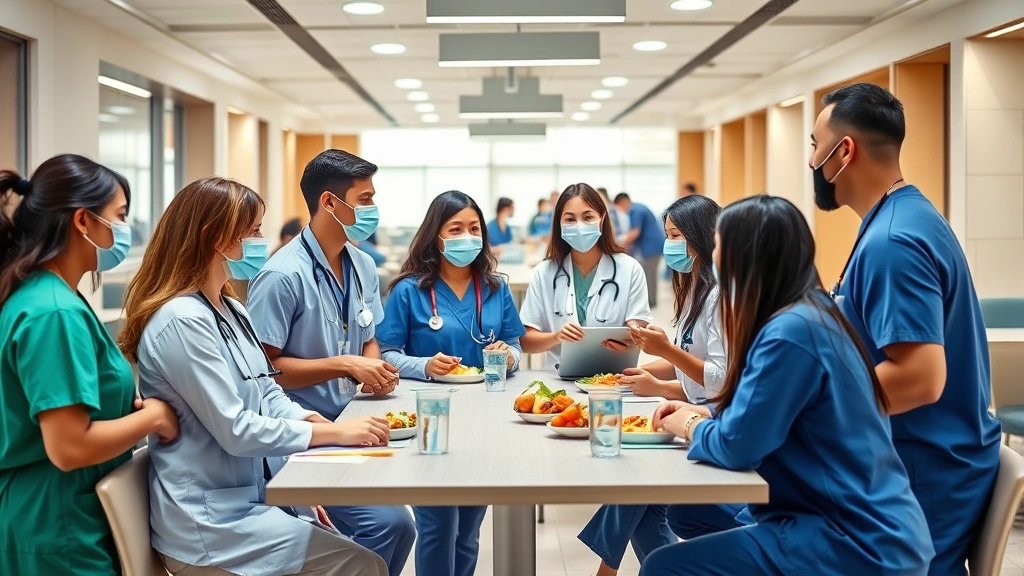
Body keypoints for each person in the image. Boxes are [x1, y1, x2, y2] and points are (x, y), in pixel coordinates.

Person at [639, 195, 934, 576]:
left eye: (721, 251)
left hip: (851, 539)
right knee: (690, 512)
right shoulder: (812, 312)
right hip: (862, 519)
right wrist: (708, 412)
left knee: (663, 567)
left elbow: (737, 447)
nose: (716, 263)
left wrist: (690, 425)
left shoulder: (788, 334)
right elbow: (760, 407)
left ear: (748, 259)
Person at [120, 177, 389, 576]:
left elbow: (268, 391)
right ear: (217, 237)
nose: (261, 240)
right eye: (254, 230)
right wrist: (332, 434)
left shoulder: (231, 309)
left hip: (252, 498)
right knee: (363, 565)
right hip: (211, 524)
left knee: (355, 551)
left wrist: (313, 421)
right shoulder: (181, 321)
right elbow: (235, 429)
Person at [812, 83, 1000, 576]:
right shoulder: (899, 217)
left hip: (920, 482)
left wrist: (812, 406)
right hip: (916, 466)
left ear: (843, 151)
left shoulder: (893, 241)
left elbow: (920, 377)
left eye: (815, 146)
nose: (812, 161)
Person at [0, 155, 179, 576]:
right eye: (119, 217)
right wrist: (155, 417)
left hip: (72, 512)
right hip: (55, 523)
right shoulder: (52, 312)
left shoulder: (52, 296)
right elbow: (69, 447)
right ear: (83, 221)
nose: (125, 230)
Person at [247, 150, 414, 575]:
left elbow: (370, 335)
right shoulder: (283, 275)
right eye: (365, 199)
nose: (372, 210)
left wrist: (375, 371)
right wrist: (345, 365)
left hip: (356, 420)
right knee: (390, 524)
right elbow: (263, 370)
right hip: (306, 432)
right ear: (329, 203)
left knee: (402, 525)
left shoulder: (362, 264)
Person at [376, 190, 525, 576]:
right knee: (439, 525)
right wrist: (425, 365)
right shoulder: (409, 290)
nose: (467, 237)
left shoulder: (495, 287)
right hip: (431, 417)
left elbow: (515, 344)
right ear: (436, 236)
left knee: (469, 529)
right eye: (455, 228)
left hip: (485, 418)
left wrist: (508, 357)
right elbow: (386, 353)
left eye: (474, 228)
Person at [578, 194, 726, 576]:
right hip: (697, 407)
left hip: (714, 419)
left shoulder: (721, 295)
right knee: (644, 502)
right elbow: (690, 370)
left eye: (677, 236)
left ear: (704, 237)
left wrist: (665, 359)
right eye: (668, 236)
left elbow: (718, 380)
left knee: (638, 479)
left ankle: (604, 569)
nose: (670, 245)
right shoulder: (695, 288)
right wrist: (646, 371)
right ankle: (617, 566)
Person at [519, 183, 651, 369]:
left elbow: (640, 330)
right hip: (556, 383)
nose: (579, 226)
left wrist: (635, 336)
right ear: (559, 223)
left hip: (611, 379)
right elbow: (525, 341)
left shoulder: (630, 269)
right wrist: (556, 337)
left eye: (588, 217)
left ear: (602, 219)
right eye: (570, 219)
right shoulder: (545, 272)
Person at [614, 193, 662, 307]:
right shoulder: (638, 207)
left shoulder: (635, 210)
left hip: (652, 246)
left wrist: (619, 244)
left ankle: (651, 302)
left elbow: (635, 232)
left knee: (650, 275)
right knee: (649, 274)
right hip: (651, 245)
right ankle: (650, 301)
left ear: (623, 202)